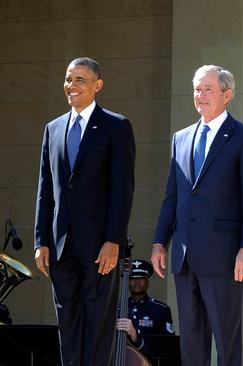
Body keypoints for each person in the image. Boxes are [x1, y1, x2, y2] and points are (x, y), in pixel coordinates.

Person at [151, 65, 243, 366]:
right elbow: (172, 196)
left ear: (227, 94)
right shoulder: (181, 138)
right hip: (185, 258)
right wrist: (161, 241)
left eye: (207, 89)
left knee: (226, 341)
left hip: (225, 258)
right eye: (197, 89)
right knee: (192, 342)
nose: (200, 95)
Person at [33, 57, 136, 365]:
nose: (71, 85)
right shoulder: (52, 129)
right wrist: (41, 241)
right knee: (68, 326)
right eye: (68, 79)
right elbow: (45, 190)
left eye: (80, 79)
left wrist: (113, 240)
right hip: (61, 247)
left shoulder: (116, 126)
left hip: (99, 248)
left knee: (97, 327)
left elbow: (122, 189)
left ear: (97, 85)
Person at [116, 259, 174, 352]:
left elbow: (168, 346)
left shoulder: (161, 309)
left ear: (147, 281)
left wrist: (136, 338)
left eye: (141, 278)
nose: (137, 281)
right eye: (132, 278)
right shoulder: (116, 308)